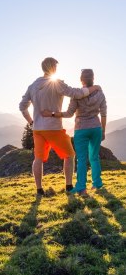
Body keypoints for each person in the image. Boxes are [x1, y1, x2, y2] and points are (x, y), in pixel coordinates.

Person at [19, 57, 101, 196]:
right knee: (69, 155)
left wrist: (31, 122)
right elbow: (76, 93)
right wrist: (94, 88)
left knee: (38, 159)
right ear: (53, 68)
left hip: (38, 129)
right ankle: (69, 186)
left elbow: (22, 107)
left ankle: (39, 190)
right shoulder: (56, 83)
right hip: (54, 128)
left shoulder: (32, 85)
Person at [41, 69, 107, 194]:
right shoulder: (100, 94)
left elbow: (69, 114)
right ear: (93, 78)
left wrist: (51, 114)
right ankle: (97, 184)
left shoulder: (77, 95)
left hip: (81, 129)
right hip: (96, 128)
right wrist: (103, 131)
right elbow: (103, 114)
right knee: (94, 158)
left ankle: (81, 188)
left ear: (81, 80)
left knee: (81, 159)